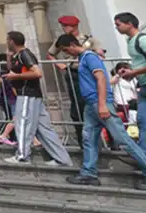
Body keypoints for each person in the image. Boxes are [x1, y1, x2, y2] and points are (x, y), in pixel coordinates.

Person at [56, 34, 146, 190]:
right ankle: (89, 172)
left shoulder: (90, 57)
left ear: (72, 44)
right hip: (91, 104)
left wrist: (103, 104)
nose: (66, 53)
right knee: (89, 138)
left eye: (66, 50)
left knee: (122, 139)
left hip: (99, 102)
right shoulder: (83, 58)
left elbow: (101, 79)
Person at [2, 31, 71, 166]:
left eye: (7, 40)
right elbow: (13, 70)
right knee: (44, 128)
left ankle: (22, 156)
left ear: (11, 41)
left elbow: (37, 72)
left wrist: (15, 77)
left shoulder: (25, 54)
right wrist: (9, 58)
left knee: (23, 124)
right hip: (31, 95)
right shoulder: (18, 56)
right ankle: (62, 159)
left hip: (27, 94)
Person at [116, 12, 146, 153]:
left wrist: (133, 72)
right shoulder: (131, 41)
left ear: (129, 24)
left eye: (118, 24)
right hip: (143, 86)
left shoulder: (142, 40)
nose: (117, 27)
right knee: (141, 120)